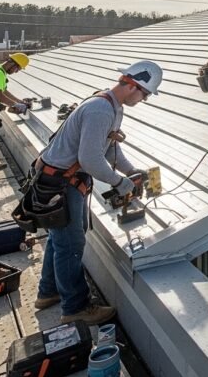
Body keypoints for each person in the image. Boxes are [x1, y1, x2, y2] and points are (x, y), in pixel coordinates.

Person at [34, 60, 163, 325]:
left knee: (62, 240)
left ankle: (48, 292)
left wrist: (130, 170)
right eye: (145, 95)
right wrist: (120, 182)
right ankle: (75, 309)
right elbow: (91, 158)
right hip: (60, 183)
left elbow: (108, 147)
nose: (144, 99)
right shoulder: (100, 110)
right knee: (70, 245)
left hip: (66, 180)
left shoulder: (112, 107)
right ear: (133, 86)